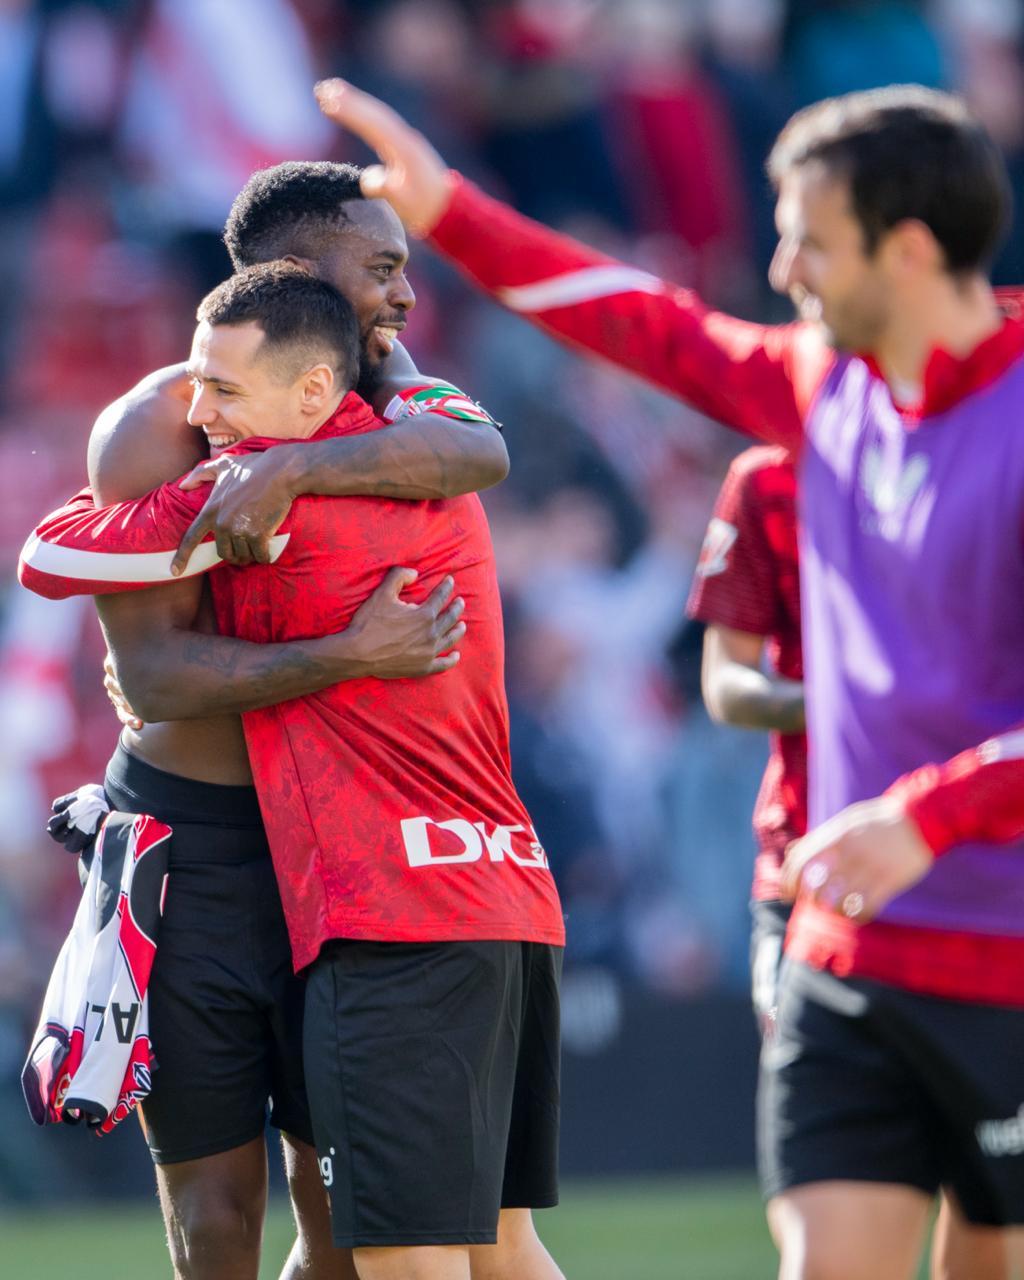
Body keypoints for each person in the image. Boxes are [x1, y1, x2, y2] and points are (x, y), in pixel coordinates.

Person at [314, 79, 1024, 1280]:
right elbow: (644, 323)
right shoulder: (822, 384)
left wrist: (923, 816)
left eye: (809, 239)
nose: (783, 268)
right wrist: (449, 213)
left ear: (907, 249)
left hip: (999, 947)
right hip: (845, 947)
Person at [23, 263, 567, 1280]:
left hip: (351, 871)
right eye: (378, 265)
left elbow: (483, 447)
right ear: (299, 265)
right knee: (232, 1218)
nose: (401, 292)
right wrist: (347, 650)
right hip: (220, 852)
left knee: (349, 1232)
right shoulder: (188, 434)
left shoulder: (377, 442)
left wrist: (296, 477)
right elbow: (142, 664)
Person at [690, 445, 1013, 1280]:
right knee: (827, 1239)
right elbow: (725, 678)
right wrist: (837, 704)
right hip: (810, 877)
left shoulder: (993, 454)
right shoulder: (768, 476)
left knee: (991, 1226)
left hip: (982, 883)